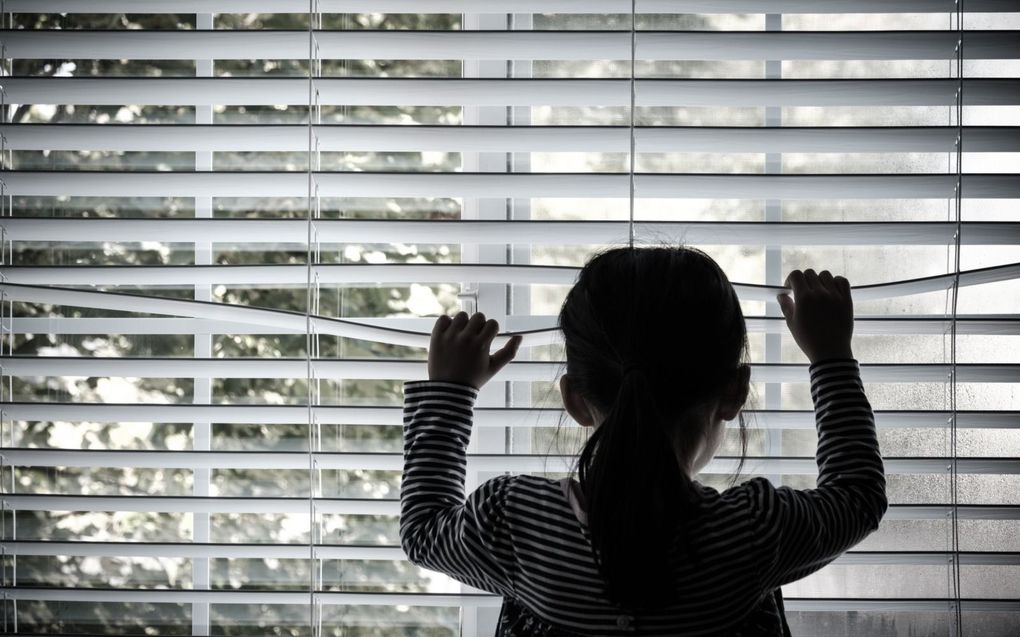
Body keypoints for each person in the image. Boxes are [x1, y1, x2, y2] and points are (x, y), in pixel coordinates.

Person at [400, 245, 887, 636]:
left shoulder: (515, 523)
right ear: (735, 391)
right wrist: (831, 357)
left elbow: (423, 531)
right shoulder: (752, 533)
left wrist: (450, 392)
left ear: (573, 398)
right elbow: (857, 497)